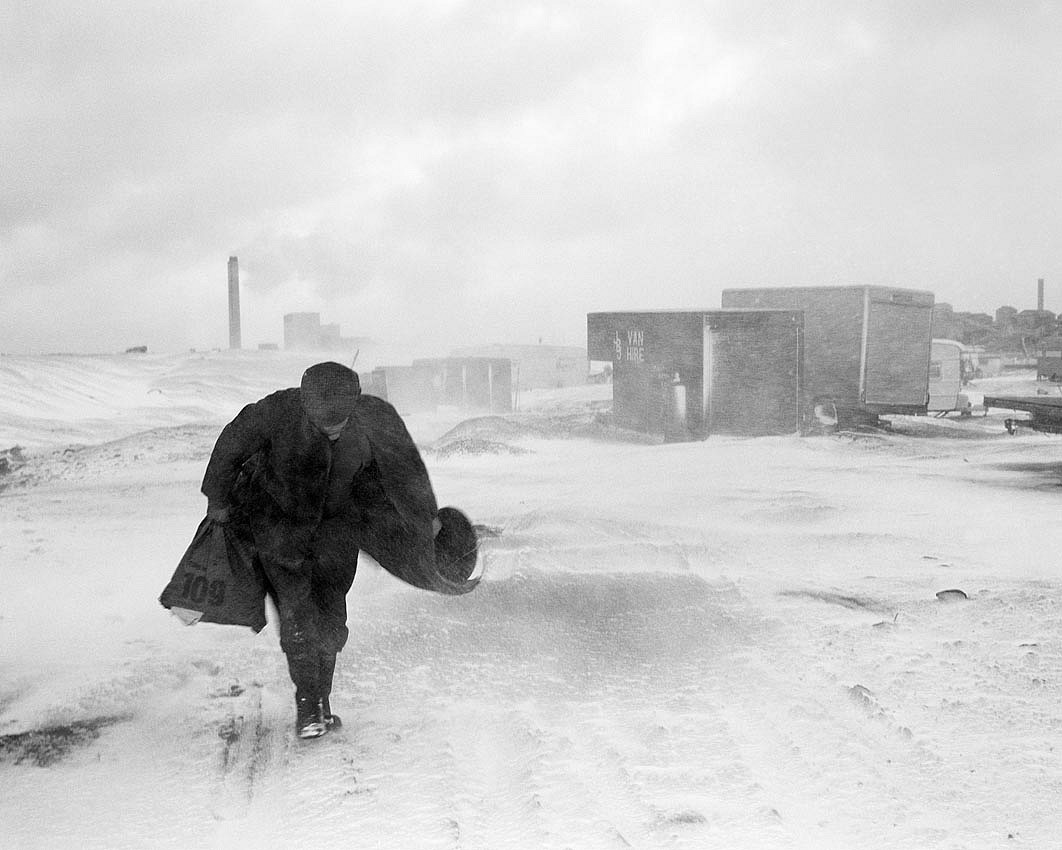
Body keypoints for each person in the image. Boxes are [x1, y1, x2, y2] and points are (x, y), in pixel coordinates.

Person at [200, 361, 477, 739]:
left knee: (331, 617)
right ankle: (308, 706)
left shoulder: (374, 417)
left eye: (340, 420)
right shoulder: (275, 413)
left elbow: (406, 466)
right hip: (281, 531)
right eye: (322, 422)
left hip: (338, 531)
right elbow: (230, 447)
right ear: (306, 403)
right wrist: (218, 500)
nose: (332, 429)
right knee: (296, 612)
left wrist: (427, 517)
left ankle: (322, 701)